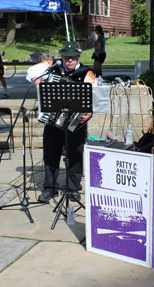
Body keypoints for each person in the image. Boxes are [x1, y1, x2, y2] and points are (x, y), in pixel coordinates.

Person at [26, 41, 97, 203]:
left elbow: (95, 97)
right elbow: (31, 71)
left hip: (76, 123)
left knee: (75, 156)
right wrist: (39, 82)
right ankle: (49, 189)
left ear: (78, 57)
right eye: (66, 57)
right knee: (50, 155)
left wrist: (88, 114)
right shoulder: (53, 66)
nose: (69, 60)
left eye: (72, 57)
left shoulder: (87, 73)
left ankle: (73, 189)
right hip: (52, 122)